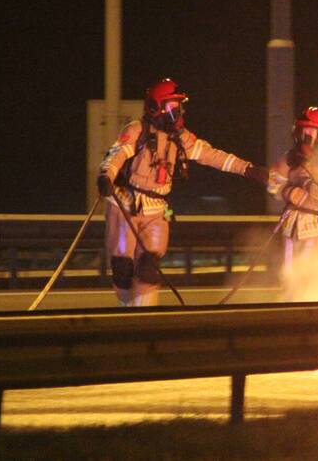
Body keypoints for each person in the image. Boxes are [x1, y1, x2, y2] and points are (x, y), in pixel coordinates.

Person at [97, 78, 268, 307]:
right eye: (172, 107)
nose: (177, 113)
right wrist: (106, 176)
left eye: (179, 107)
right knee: (123, 268)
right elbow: (116, 155)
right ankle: (126, 312)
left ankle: (143, 316)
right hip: (124, 205)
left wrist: (248, 169)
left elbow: (212, 155)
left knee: (149, 268)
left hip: (156, 209)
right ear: (155, 107)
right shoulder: (136, 131)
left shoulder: (181, 139)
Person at [267, 107, 318, 290]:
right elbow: (272, 183)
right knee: (292, 277)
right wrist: (287, 191)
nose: (305, 137)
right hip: (297, 226)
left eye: (309, 131)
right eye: (302, 131)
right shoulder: (289, 159)